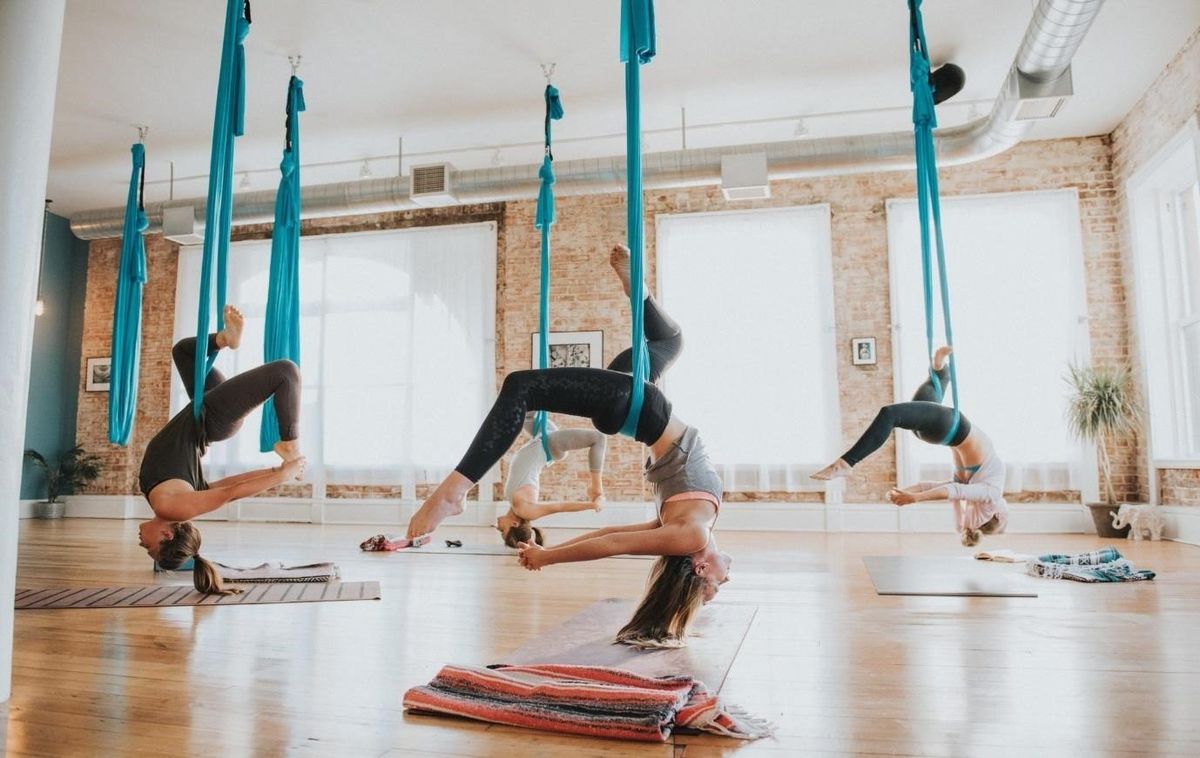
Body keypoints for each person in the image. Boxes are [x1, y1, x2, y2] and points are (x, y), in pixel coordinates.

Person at [494, 243, 685, 547]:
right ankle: (638, 291)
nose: (497, 525)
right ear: (514, 526)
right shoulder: (524, 508)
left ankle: (639, 292)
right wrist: (593, 495)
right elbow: (558, 507)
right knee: (671, 341)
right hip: (567, 436)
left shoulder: (517, 500)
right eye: (500, 530)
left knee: (668, 342)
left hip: (587, 420)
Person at [136, 305, 306, 593]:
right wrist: (283, 475)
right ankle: (290, 441)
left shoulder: (175, 501)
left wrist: (275, 470)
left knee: (184, 352)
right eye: (150, 548)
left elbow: (232, 483)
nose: (142, 544)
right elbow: (230, 494)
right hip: (212, 420)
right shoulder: (172, 507)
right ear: (166, 535)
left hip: (204, 415)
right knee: (285, 372)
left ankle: (226, 339)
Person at [813, 346, 1008, 546]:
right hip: (937, 432)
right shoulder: (978, 488)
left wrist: (914, 497)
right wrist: (909, 493)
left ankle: (846, 463)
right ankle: (940, 368)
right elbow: (936, 488)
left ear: (999, 516)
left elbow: (952, 491)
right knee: (933, 384)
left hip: (950, 426)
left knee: (889, 414)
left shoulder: (991, 494)